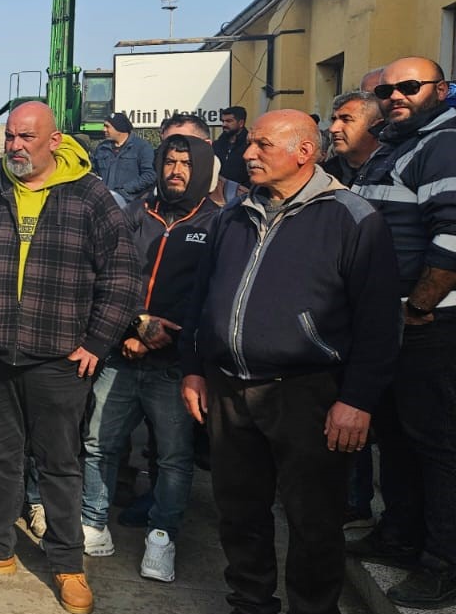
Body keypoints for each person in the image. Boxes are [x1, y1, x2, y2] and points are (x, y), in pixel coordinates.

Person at [182, 110, 400, 614]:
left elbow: (378, 322)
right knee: (239, 511)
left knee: (313, 520)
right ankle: (250, 602)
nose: (248, 154)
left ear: (304, 152)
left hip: (308, 393)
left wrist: (357, 400)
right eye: (250, 144)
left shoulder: (352, 219)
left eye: (262, 144)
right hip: (229, 389)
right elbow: (200, 299)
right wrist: (193, 367)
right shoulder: (233, 215)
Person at [0, 102, 140, 614]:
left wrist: (97, 340)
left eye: (26, 137)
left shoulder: (90, 196)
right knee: (0, 455)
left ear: (54, 141)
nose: (15, 146)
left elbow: (121, 276)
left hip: (58, 357)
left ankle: (68, 563)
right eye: (10, 136)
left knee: (59, 463)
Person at [83, 135, 218, 583]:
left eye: (186, 163)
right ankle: (93, 521)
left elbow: (209, 293)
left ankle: (162, 536)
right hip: (122, 352)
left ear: (202, 169)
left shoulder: (218, 222)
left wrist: (165, 334)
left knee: (174, 457)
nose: (176, 171)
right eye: (170, 162)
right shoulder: (136, 212)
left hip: (175, 364)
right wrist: (135, 326)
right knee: (99, 443)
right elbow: (111, 272)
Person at [347, 57, 456, 607]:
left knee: (436, 444)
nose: (395, 96)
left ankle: (443, 563)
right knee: (395, 434)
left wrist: (419, 305)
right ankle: (400, 536)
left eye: (409, 86)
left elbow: (453, 233)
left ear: (440, 89)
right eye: (387, 90)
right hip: (390, 318)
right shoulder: (396, 144)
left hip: (431, 322)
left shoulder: (444, 143)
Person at [324, 90, 384, 187]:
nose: (333, 129)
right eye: (334, 119)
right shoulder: (324, 175)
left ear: (377, 126)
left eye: (346, 119)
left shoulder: (395, 172)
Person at [93, 113, 156, 202]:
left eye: (107, 126)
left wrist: (125, 189)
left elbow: (149, 175)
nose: (104, 129)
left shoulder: (142, 147)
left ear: (119, 129)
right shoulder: (101, 148)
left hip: (131, 203)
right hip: (105, 201)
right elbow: (94, 172)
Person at [214, 106, 251, 187]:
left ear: (241, 123)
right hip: (219, 191)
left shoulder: (250, 146)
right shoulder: (217, 145)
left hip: (243, 191)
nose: (224, 124)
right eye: (223, 121)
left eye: (229, 121)